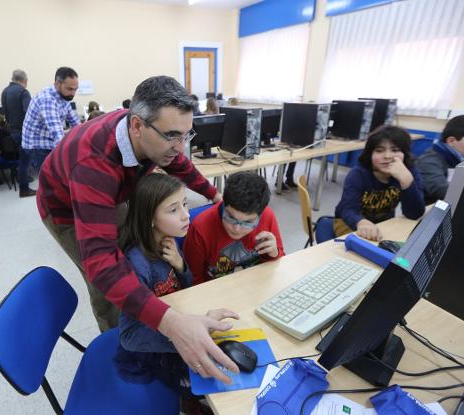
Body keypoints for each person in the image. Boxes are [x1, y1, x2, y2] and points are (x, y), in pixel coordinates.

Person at [37, 75, 239, 385]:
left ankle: (150, 319)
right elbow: (102, 263)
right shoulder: (93, 165)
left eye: (186, 134)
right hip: (64, 208)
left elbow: (176, 162)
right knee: (106, 281)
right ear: (136, 126)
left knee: (133, 258)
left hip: (112, 186)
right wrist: (172, 324)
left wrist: (214, 195)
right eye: (172, 135)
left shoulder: (151, 134)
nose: (181, 146)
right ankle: (124, 344)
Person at [115, 173, 239, 398]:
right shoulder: (137, 264)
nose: (186, 216)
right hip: (154, 349)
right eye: (173, 210)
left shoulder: (168, 241)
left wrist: (180, 265)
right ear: (150, 218)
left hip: (176, 321)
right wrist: (184, 337)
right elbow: (129, 335)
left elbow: (183, 287)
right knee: (214, 385)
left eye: (185, 204)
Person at [183, 171, 285, 285]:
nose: (236, 229)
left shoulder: (267, 216)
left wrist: (274, 253)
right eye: (230, 217)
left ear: (260, 214)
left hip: (254, 285)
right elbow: (193, 281)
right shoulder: (200, 228)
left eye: (248, 222)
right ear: (223, 203)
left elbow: (278, 263)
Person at [333, 126, 425, 241]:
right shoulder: (358, 174)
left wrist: (406, 181)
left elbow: (414, 214)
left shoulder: (409, 172)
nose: (387, 156)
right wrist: (361, 222)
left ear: (405, 154)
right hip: (351, 222)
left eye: (395, 150)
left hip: (383, 225)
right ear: (370, 154)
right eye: (379, 150)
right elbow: (347, 210)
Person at [21, 66, 80, 179]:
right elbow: (57, 133)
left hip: (47, 140)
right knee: (49, 181)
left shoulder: (63, 96)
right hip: (37, 145)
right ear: (57, 84)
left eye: (75, 89)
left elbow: (76, 122)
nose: (73, 93)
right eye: (70, 89)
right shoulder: (48, 100)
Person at [417, 115, 464, 205]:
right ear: (451, 141)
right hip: (430, 209)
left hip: (451, 205)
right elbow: (441, 190)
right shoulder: (429, 161)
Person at [1, 69, 34, 197]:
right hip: (24, 132)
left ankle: (24, 184)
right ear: (25, 81)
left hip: (13, 131)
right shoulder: (23, 92)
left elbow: (4, 112)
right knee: (25, 163)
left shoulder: (5, 91)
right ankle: (24, 189)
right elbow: (29, 113)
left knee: (23, 161)